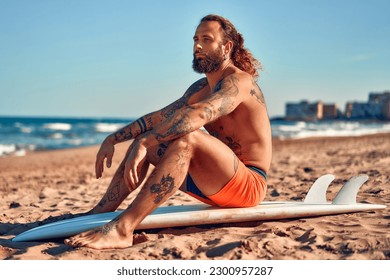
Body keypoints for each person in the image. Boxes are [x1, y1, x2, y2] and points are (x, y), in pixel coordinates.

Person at [64, 14, 272, 249]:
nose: (197, 45)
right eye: (195, 39)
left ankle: (123, 229)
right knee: (154, 137)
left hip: (249, 186)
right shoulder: (200, 88)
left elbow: (202, 114)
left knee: (187, 138)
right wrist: (114, 138)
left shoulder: (239, 81)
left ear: (226, 47)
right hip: (214, 183)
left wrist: (145, 141)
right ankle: (98, 212)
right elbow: (158, 119)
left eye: (206, 39)